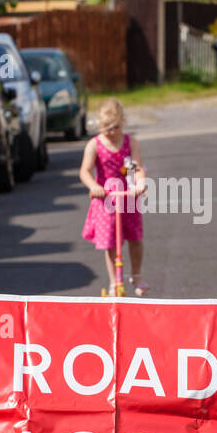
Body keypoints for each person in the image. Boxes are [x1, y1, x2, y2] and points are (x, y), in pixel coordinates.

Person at [80, 98, 148, 295]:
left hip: (128, 197)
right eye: (105, 127)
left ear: (123, 122)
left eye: (115, 127)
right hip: (106, 201)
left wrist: (139, 183)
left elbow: (136, 168)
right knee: (110, 242)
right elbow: (85, 171)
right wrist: (94, 186)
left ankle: (136, 275)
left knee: (135, 237)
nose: (110, 132)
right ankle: (114, 280)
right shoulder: (95, 145)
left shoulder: (130, 143)